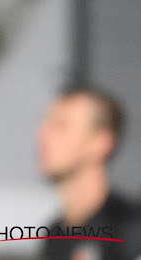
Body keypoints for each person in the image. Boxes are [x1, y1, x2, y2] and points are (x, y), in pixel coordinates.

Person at [38, 87, 141, 260]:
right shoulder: (54, 236)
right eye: (46, 123)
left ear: (100, 143)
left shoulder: (131, 228)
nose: (43, 134)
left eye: (60, 125)